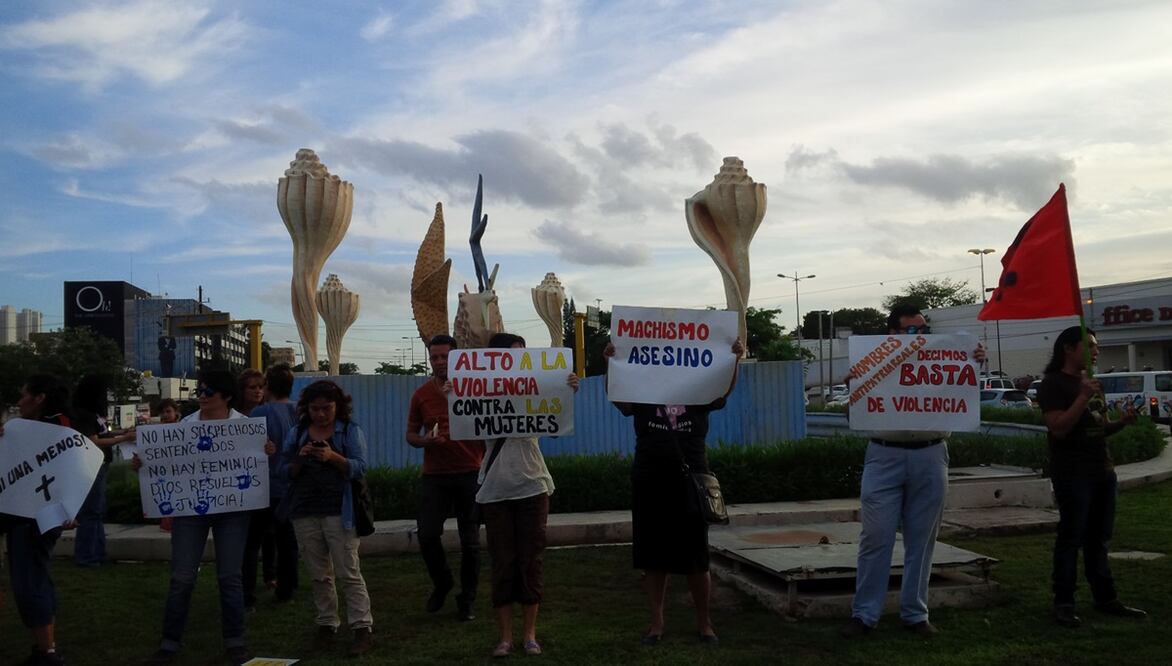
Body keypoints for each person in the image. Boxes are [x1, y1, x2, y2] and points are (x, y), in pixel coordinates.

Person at [841, 304, 985, 638]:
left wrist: (975, 359)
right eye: (911, 331)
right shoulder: (872, 362)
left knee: (923, 540)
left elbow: (963, 392)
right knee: (876, 536)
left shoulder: (942, 358)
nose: (918, 337)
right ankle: (865, 614)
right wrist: (855, 389)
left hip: (931, 454)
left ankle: (915, 613)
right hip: (884, 454)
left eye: (922, 331)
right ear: (892, 333)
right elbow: (855, 419)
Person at [603, 337, 744, 646]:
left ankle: (705, 623)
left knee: (696, 555)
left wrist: (734, 360)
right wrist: (611, 363)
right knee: (653, 556)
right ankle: (656, 624)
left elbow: (722, 391)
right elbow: (620, 401)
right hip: (650, 477)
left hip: (691, 477)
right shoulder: (641, 390)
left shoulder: (699, 390)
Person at [136, 369, 273, 665]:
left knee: (230, 577)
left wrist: (266, 452)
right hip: (190, 511)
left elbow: (258, 463)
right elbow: (165, 462)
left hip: (233, 511)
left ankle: (235, 642)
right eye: (200, 391)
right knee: (182, 577)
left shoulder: (245, 428)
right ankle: (170, 643)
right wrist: (144, 462)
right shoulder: (185, 425)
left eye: (207, 391)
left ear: (225, 396)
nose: (201, 396)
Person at [458, 333, 578, 658]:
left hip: (533, 485)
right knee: (503, 561)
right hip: (496, 489)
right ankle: (505, 638)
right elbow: (465, 422)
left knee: (531, 559)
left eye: (523, 355)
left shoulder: (539, 389)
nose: (520, 361)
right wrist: (451, 396)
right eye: (512, 355)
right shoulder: (480, 393)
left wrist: (567, 389)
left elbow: (555, 418)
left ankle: (529, 635)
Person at [1037, 326, 1146, 627]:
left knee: (1099, 538)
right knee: (1071, 538)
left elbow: (1100, 426)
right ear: (1069, 349)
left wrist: (1122, 422)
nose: (1096, 351)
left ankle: (1106, 597)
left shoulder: (1093, 384)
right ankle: (1064, 601)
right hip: (1073, 474)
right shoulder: (1053, 385)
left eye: (1096, 346)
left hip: (1102, 471)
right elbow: (1058, 427)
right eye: (1090, 346)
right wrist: (1082, 396)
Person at [279, 380, 374, 656]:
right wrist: (300, 458)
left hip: (339, 511)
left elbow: (360, 467)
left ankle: (361, 627)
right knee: (319, 574)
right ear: (306, 408)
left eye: (327, 408)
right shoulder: (297, 433)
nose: (321, 414)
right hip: (305, 510)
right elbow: (284, 470)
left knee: (348, 571)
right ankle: (326, 624)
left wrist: (333, 456)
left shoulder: (349, 431)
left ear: (338, 407)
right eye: (315, 409)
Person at [406, 334, 485, 621]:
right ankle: (443, 582)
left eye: (445, 357)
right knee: (427, 534)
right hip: (435, 476)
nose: (439, 362)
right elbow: (411, 435)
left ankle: (468, 599)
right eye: (434, 357)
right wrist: (426, 441)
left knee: (471, 542)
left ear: (457, 358)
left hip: (470, 473)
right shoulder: (421, 395)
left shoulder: (475, 389)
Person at [0, 374, 79, 665]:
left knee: (30, 581)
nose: (19, 402)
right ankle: (44, 648)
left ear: (40, 398)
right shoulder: (60, 425)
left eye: (23, 395)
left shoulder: (47, 429)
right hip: (36, 515)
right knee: (36, 577)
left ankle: (47, 652)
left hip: (32, 517)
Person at [245, 365, 301, 605]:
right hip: (289, 485)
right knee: (287, 541)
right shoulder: (299, 411)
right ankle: (287, 587)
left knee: (252, 541)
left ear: (268, 386)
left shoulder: (259, 413)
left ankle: (247, 590)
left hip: (262, 486)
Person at [71, 375, 135, 567]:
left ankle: (97, 553)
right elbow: (93, 440)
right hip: (91, 465)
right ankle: (87, 556)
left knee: (97, 511)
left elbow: (103, 434)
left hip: (101, 464)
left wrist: (122, 434)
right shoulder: (83, 414)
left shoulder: (93, 414)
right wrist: (123, 439)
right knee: (91, 511)